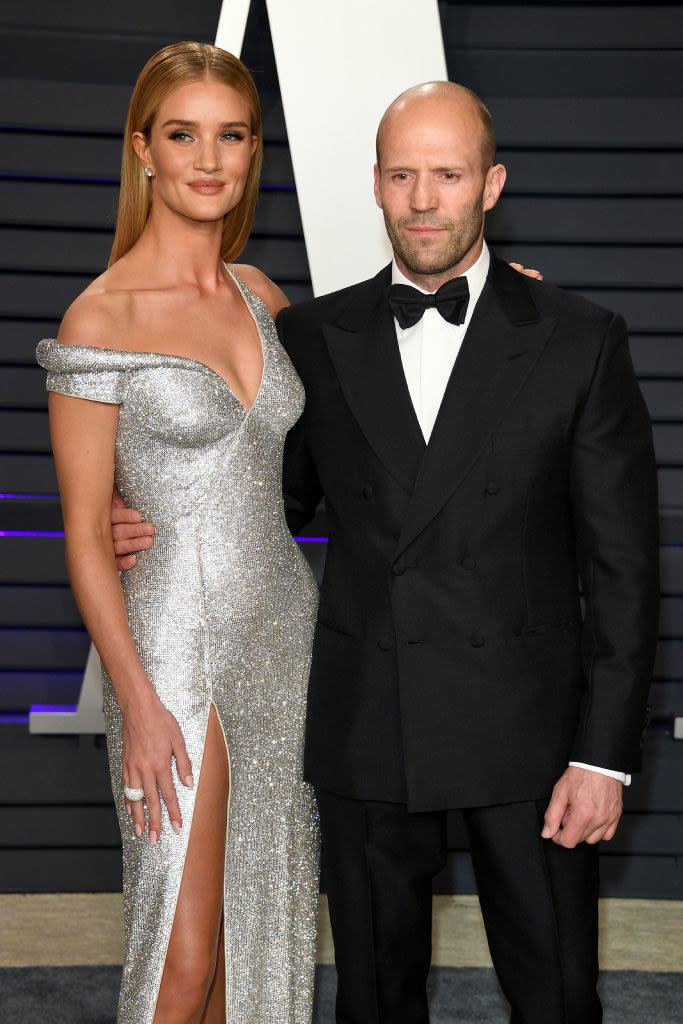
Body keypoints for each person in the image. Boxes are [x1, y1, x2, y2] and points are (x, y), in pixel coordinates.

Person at [113, 82, 659, 1022]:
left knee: (559, 999)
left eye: (445, 175)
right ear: (373, 184)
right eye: (402, 174)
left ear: (489, 185)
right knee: (372, 1002)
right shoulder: (313, 338)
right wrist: (148, 513)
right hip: (369, 726)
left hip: (530, 740)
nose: (421, 199)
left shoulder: (580, 340)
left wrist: (601, 759)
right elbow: (264, 500)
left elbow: (624, 571)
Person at [37, 42, 320, 1024]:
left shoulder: (263, 297)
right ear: (143, 150)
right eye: (183, 134)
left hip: (283, 636)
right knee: (185, 952)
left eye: (231, 134)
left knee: (257, 936)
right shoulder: (101, 316)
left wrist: (491, 305)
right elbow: (82, 537)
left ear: (251, 152)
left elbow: (347, 454)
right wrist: (137, 700)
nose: (209, 157)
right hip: (168, 651)